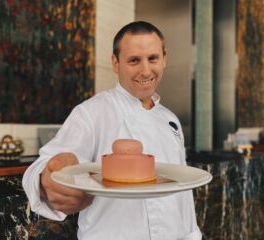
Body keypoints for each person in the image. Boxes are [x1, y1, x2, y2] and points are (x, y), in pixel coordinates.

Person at [23, 21, 202, 240]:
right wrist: (48, 179)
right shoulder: (92, 113)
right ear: (115, 63)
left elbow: (182, 195)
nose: (146, 70)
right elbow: (43, 165)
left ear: (164, 58)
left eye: (153, 58)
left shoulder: (170, 119)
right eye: (134, 60)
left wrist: (193, 235)